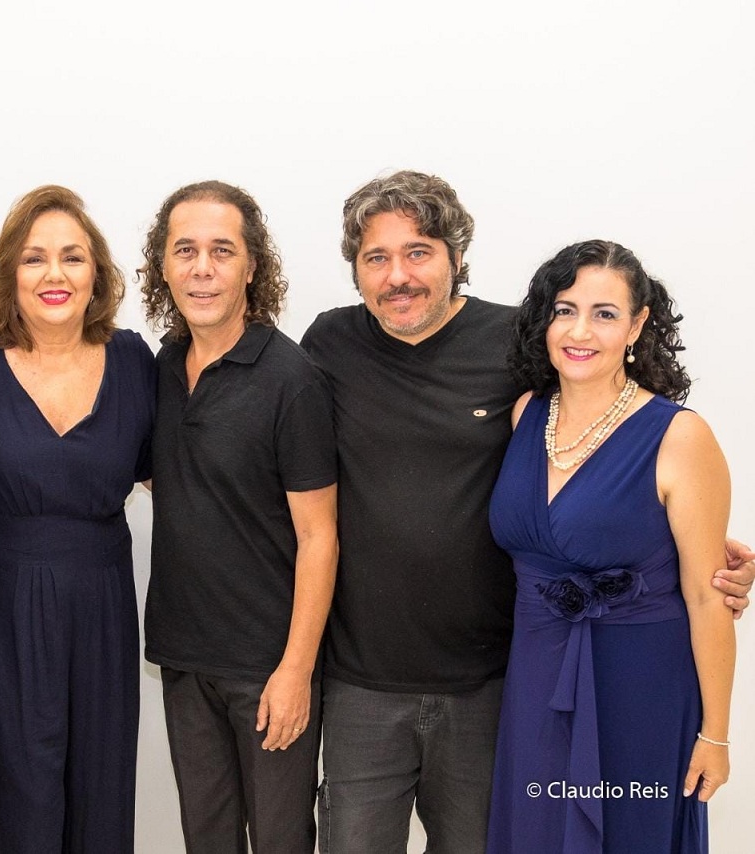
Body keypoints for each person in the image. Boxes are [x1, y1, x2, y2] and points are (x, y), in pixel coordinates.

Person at [299, 170, 755, 854]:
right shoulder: (336, 347)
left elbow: (628, 477)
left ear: (456, 255)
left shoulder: (520, 350)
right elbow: (284, 469)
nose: (398, 275)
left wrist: (702, 560)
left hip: (505, 680)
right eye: (377, 257)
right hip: (387, 677)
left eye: (418, 251)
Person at [0, 185, 155, 854]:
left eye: (72, 257)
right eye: (34, 258)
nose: (55, 274)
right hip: (2, 613)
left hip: (103, 611)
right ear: (8, 273)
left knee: (101, 796)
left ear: (96, 273)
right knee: (20, 800)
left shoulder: (135, 362)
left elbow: (182, 477)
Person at [486, 240, 733, 853]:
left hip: (641, 684)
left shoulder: (680, 435)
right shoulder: (525, 415)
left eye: (604, 314)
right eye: (565, 310)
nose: (580, 332)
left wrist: (716, 735)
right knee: (537, 831)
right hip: (536, 677)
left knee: (632, 831)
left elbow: (708, 597)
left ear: (637, 325)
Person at [140, 180, 339, 853]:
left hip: (267, 665)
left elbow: (319, 535)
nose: (202, 268)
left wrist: (296, 671)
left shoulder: (292, 379)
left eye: (221, 251)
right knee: (207, 839)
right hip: (184, 656)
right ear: (163, 266)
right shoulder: (164, 366)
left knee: (281, 840)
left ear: (252, 266)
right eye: (185, 250)